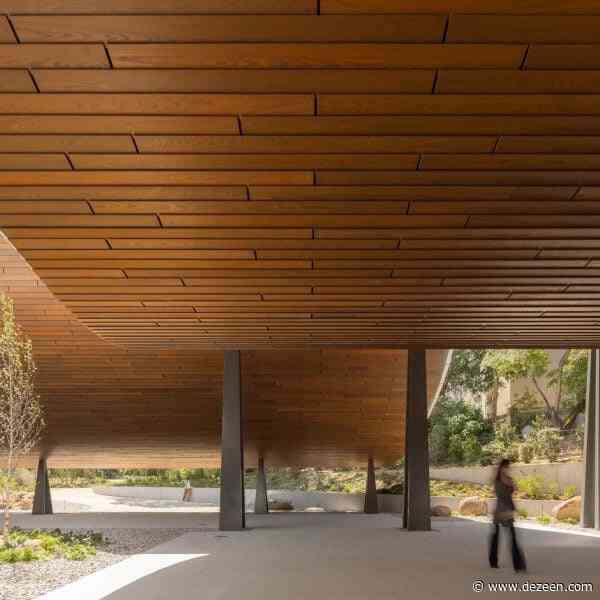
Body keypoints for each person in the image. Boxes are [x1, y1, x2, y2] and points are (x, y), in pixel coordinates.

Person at [489, 459, 527, 572]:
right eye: (506, 467)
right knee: (502, 536)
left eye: (508, 467)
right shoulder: (499, 480)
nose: (508, 469)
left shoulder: (503, 479)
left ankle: (496, 562)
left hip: (504, 508)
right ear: (502, 467)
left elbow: (515, 488)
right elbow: (502, 491)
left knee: (503, 535)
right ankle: (517, 565)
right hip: (503, 509)